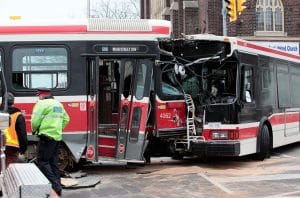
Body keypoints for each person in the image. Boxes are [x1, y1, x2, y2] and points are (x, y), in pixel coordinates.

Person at [31, 88, 70, 198]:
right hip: (56, 138)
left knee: (42, 162)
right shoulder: (58, 104)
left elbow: (35, 120)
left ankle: (55, 186)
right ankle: (58, 191)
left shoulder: (41, 103)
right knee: (53, 163)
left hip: (46, 137)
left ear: (42, 95)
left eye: (38, 95)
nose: (38, 97)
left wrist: (34, 130)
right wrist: (58, 129)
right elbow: (67, 119)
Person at [2, 92, 27, 167]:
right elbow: (22, 134)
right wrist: (23, 148)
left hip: (1, 145)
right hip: (12, 147)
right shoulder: (18, 115)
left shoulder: (1, 113)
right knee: (9, 168)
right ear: (13, 102)